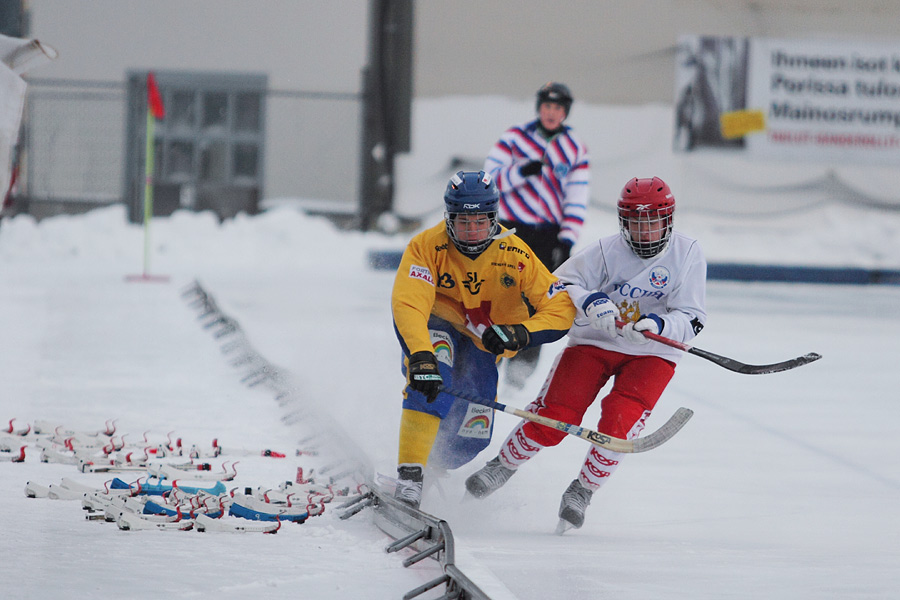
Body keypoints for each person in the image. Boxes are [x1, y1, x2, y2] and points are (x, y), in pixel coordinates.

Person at [464, 176, 707, 532]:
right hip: (595, 341)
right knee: (556, 415)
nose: (645, 232)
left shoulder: (687, 253)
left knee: (620, 420)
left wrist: (658, 326)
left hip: (654, 354)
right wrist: (592, 302)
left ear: (668, 220)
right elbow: (558, 283)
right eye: (636, 223)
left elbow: (693, 318)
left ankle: (583, 490)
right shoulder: (607, 250)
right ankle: (502, 465)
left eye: (653, 222)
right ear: (624, 223)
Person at [390, 170, 576, 508]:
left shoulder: (517, 255)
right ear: (449, 218)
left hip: (485, 344)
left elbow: (560, 305)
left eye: (480, 221)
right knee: (433, 376)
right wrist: (419, 354)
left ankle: (433, 465)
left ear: (494, 218)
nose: (472, 231)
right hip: (440, 324)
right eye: (463, 222)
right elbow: (408, 301)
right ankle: (410, 473)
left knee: (472, 435)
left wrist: (522, 333)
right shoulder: (426, 246)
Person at [483, 82, 590, 388]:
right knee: (500, 295)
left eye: (558, 108)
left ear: (565, 112)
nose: (551, 113)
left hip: (547, 235)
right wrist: (520, 172)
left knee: (537, 302)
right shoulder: (515, 138)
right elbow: (489, 180)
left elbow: (577, 195)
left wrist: (567, 239)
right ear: (538, 108)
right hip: (511, 229)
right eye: (546, 107)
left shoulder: (574, 147)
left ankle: (520, 373)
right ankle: (488, 357)